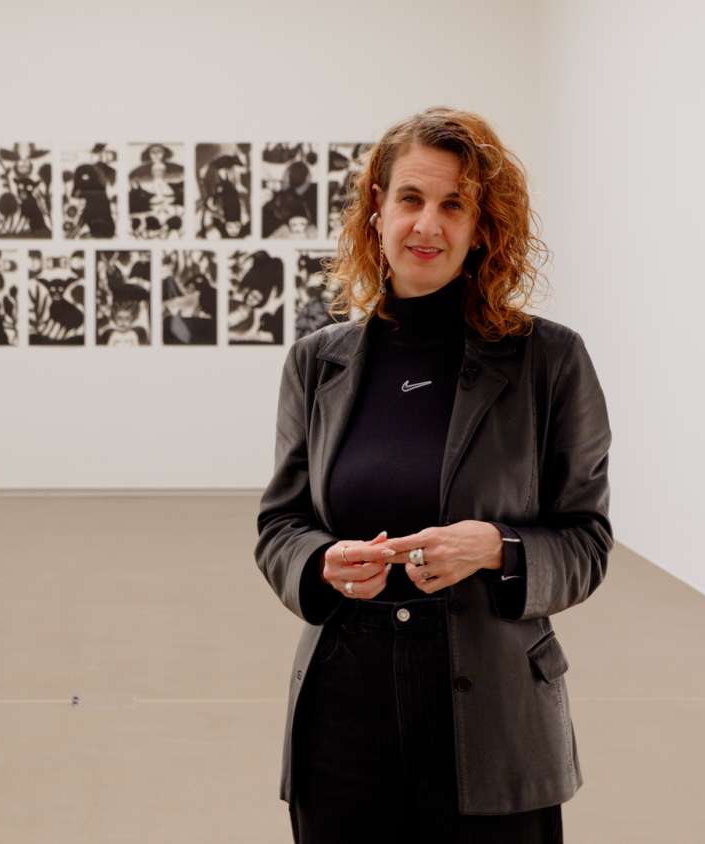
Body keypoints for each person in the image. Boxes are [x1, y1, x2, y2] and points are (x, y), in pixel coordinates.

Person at [255, 107, 613, 842]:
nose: (428, 224)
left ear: (482, 228)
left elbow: (587, 542)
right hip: (342, 712)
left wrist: (498, 549)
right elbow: (280, 525)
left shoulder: (550, 361)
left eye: (454, 205)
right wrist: (319, 562)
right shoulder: (316, 363)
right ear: (377, 208)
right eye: (411, 198)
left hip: (493, 721)